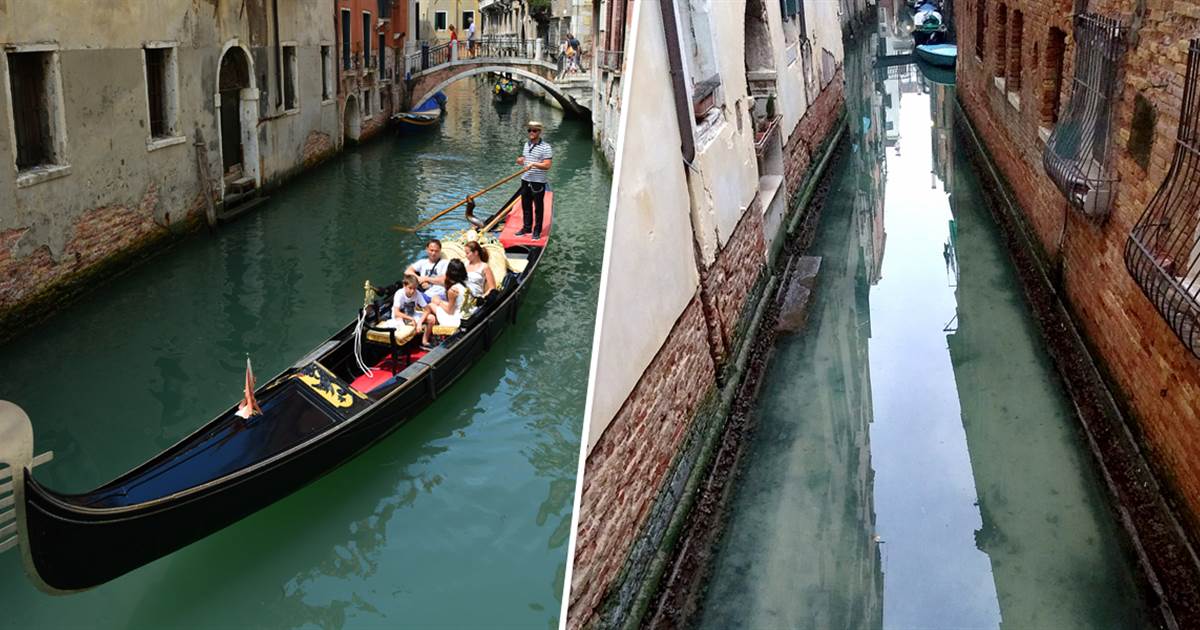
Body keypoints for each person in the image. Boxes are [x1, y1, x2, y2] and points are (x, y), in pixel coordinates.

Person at [515, 121, 552, 239]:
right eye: (529, 130)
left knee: (538, 208)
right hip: (525, 179)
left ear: (539, 132)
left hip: (538, 182)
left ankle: (537, 231)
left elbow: (547, 165)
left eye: (534, 130)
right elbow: (526, 160)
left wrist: (534, 164)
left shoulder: (546, 147)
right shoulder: (527, 144)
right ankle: (526, 228)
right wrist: (521, 160)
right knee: (526, 206)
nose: (531, 132)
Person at [421, 259, 469, 348]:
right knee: (435, 304)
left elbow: (449, 311)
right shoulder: (465, 284)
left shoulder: (453, 290)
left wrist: (438, 301)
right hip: (464, 315)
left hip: (456, 320)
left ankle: (426, 339)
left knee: (431, 305)